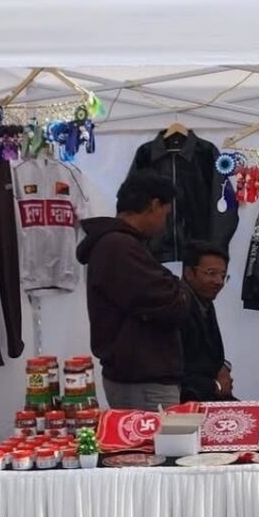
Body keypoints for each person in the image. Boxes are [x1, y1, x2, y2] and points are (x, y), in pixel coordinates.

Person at [76, 171, 190, 411]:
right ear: (153, 205)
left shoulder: (123, 245)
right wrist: (178, 289)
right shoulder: (119, 247)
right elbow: (172, 302)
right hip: (142, 383)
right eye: (166, 214)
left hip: (139, 379)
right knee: (157, 437)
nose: (165, 224)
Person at [180, 240, 235, 403]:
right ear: (189, 273)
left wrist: (223, 367)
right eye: (211, 273)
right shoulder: (178, 305)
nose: (219, 281)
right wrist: (215, 386)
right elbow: (173, 368)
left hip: (205, 395)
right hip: (184, 401)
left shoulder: (204, 302)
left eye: (223, 276)